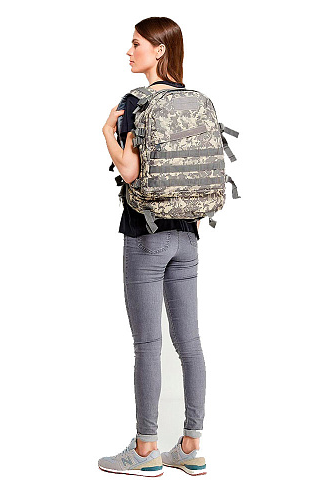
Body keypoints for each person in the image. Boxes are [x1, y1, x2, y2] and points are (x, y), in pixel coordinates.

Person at [99, 17, 207, 477]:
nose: (129, 51)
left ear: (159, 50)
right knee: (190, 343)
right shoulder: (195, 101)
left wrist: (107, 133)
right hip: (188, 236)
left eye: (136, 43)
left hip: (146, 236)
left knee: (147, 344)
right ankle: (190, 447)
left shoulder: (135, 103)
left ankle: (146, 451)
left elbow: (129, 171)